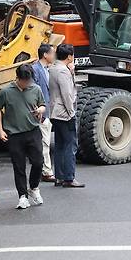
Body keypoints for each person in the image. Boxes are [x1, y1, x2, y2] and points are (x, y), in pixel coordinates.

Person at [0, 64, 46, 209]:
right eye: (25, 81)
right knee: (19, 166)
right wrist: (0, 130)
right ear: (18, 78)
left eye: (29, 80)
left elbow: (43, 105)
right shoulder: (6, 91)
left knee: (38, 162)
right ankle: (22, 196)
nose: (27, 83)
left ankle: (34, 187)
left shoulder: (36, 89)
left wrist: (40, 110)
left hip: (33, 131)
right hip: (14, 134)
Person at [49, 44, 85, 188]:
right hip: (64, 113)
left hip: (54, 112)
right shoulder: (63, 71)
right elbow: (67, 94)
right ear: (69, 56)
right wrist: (71, 113)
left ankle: (59, 176)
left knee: (59, 145)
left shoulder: (53, 68)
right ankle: (69, 177)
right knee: (70, 145)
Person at [32, 44, 56, 182]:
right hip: (41, 113)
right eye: (52, 53)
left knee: (44, 142)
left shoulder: (48, 69)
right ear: (45, 55)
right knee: (44, 142)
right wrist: (38, 111)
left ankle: (45, 170)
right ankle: (46, 171)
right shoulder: (36, 69)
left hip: (47, 111)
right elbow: (33, 91)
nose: (54, 56)